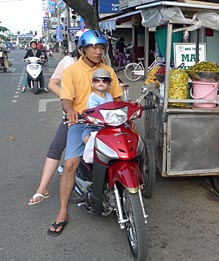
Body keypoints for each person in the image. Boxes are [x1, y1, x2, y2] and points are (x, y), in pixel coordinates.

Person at [47, 30, 122, 237]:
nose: (98, 52)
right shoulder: (71, 72)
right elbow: (66, 98)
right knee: (70, 164)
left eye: (101, 47)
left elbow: (117, 97)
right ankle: (63, 211)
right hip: (82, 122)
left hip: (108, 122)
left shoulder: (108, 70)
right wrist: (70, 110)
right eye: (93, 47)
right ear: (82, 49)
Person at [28, 47, 82, 205]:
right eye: (89, 46)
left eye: (98, 47)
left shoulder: (100, 63)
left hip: (96, 115)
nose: (95, 50)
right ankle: (42, 188)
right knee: (56, 148)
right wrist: (68, 99)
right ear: (80, 48)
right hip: (72, 115)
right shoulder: (67, 62)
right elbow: (52, 84)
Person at [82, 68, 114, 144]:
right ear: (92, 84)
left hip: (109, 123)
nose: (101, 82)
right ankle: (92, 154)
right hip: (95, 125)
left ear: (109, 85)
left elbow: (113, 108)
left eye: (105, 80)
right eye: (97, 80)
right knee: (86, 138)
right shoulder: (92, 97)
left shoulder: (109, 96)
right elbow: (95, 111)